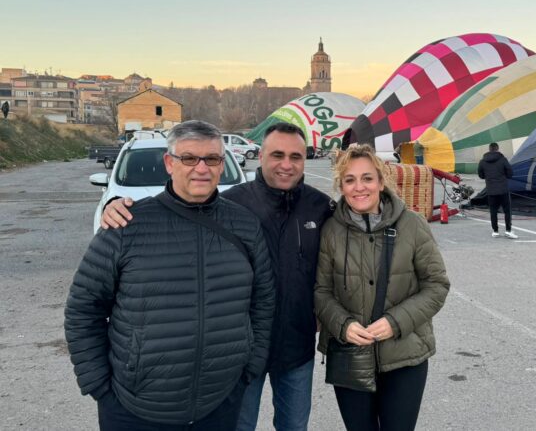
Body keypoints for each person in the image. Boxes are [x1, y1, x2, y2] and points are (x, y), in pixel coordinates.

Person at [100, 122, 335, 431]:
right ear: (260, 155)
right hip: (240, 351)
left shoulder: (321, 207)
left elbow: (349, 246)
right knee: (239, 426)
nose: (286, 164)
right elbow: (177, 207)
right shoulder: (233, 204)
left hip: (297, 345)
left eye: (296, 156)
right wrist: (115, 206)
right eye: (277, 154)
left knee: (294, 426)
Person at [65, 120, 275, 430]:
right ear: (169, 163)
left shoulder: (244, 225)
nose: (201, 168)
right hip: (134, 408)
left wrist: (249, 368)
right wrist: (99, 385)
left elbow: (263, 300)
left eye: (212, 159)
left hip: (219, 403)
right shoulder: (127, 225)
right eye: (189, 158)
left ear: (222, 164)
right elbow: (83, 309)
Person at [315, 144, 450, 431]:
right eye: (349, 180)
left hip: (405, 356)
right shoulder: (330, 231)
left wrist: (395, 322)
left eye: (367, 178)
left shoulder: (412, 224)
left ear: (380, 180)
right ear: (341, 185)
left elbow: (436, 285)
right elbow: (321, 291)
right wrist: (343, 324)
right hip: (349, 354)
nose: (359, 187)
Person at [477, 142, 517, 239]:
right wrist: (504, 176)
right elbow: (510, 173)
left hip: (491, 190)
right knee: (507, 211)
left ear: (489, 149)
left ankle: (495, 231)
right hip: (503, 190)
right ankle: (508, 230)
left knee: (493, 211)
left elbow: (481, 175)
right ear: (497, 149)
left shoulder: (482, 161)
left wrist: (488, 176)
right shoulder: (503, 160)